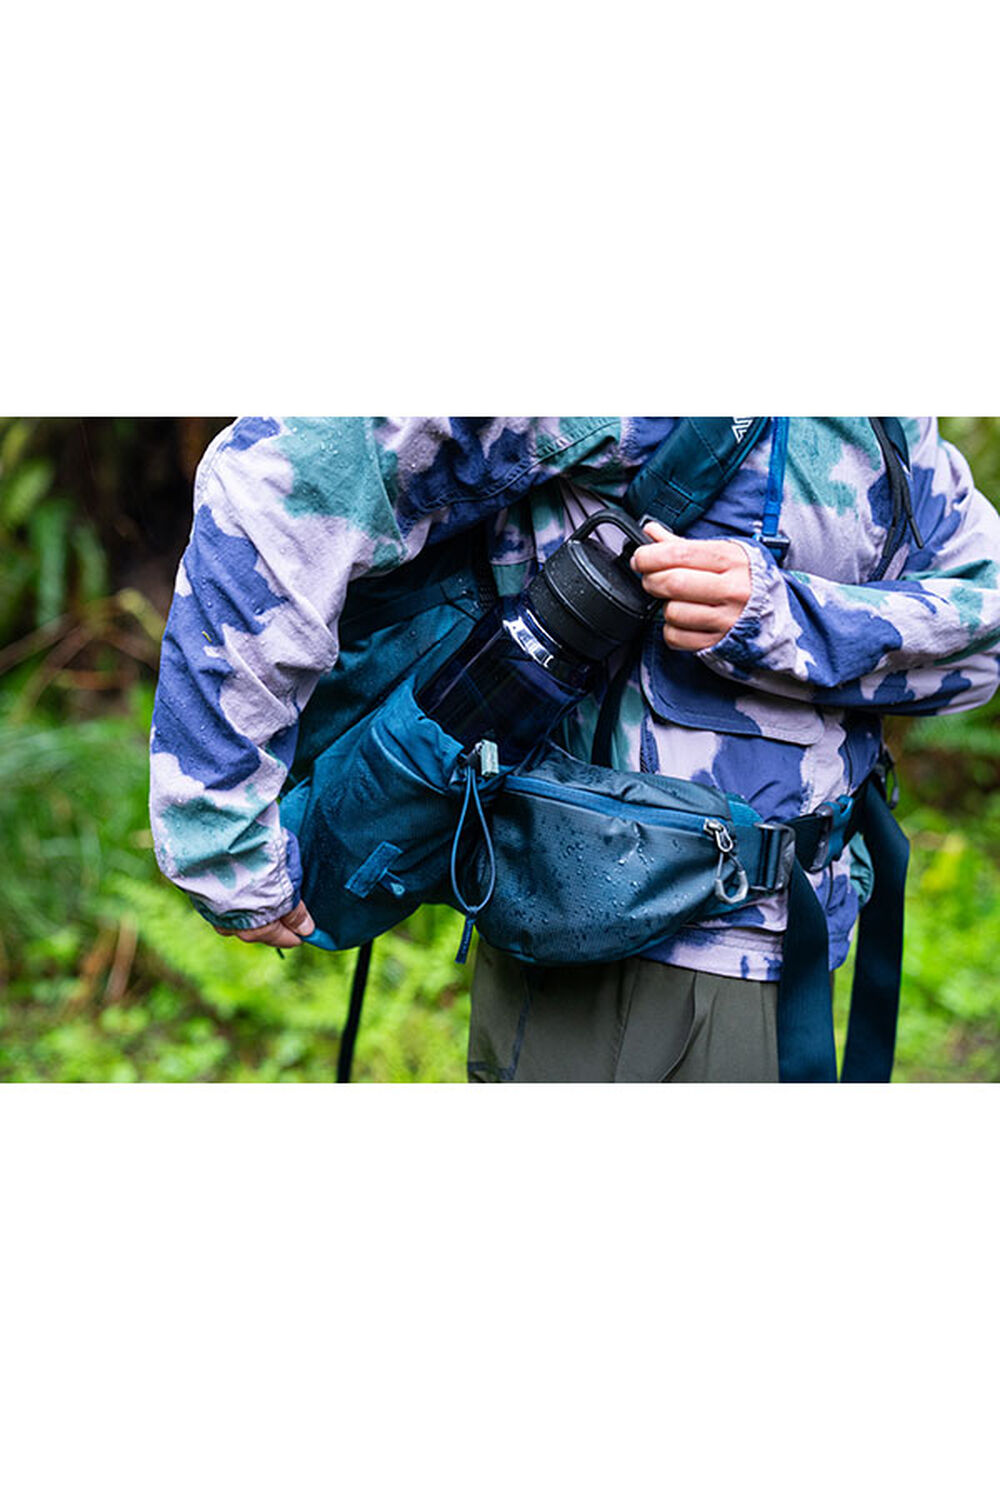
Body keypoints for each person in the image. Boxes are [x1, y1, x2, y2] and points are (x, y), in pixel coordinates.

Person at [149, 418, 1000, 1082]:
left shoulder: (890, 417)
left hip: (809, 926)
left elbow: (984, 619)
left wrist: (785, 620)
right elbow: (277, 483)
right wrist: (218, 828)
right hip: (620, 941)